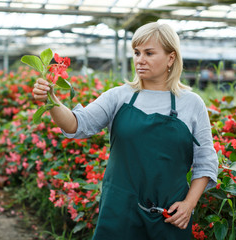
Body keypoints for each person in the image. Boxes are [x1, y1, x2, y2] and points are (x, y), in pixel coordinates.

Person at [33, 22, 218, 239]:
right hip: (119, 211)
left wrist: (189, 204)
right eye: (137, 53)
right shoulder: (119, 96)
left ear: (171, 58)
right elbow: (76, 125)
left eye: (149, 53)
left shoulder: (191, 103)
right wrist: (51, 100)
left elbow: (206, 161)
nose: (140, 59)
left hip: (169, 216)